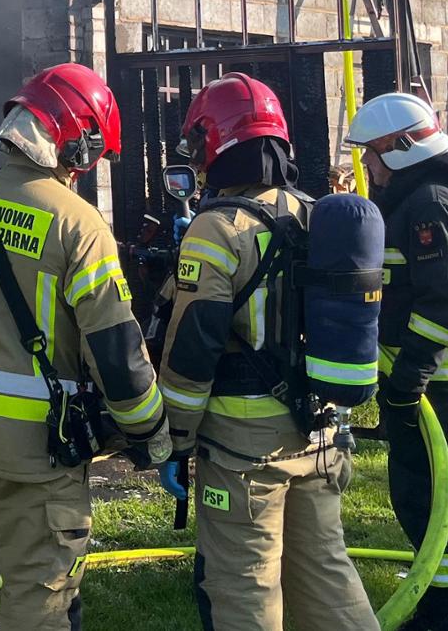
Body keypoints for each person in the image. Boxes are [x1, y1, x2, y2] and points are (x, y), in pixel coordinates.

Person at [0, 63, 171, 630]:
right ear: (75, 141)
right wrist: (152, 437)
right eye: (95, 153)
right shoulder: (78, 225)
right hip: (40, 456)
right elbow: (117, 356)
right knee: (39, 605)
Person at [156, 73, 379, 631]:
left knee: (244, 586)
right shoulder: (314, 213)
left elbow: (193, 348)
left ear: (216, 146)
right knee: (327, 575)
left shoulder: (217, 228)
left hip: (244, 449)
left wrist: (174, 440)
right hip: (321, 432)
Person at [346, 92, 448, 631]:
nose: (366, 164)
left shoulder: (430, 203)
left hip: (437, 383)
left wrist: (409, 375)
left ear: (403, 146)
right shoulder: (428, 195)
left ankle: (446, 609)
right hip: (447, 380)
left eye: (372, 152)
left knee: (429, 496)